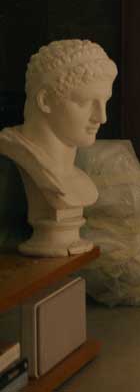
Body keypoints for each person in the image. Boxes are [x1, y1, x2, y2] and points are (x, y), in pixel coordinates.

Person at [0, 39, 116, 257]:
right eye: (85, 102)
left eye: (105, 102)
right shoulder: (16, 156)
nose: (102, 117)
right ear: (45, 101)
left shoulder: (77, 178)